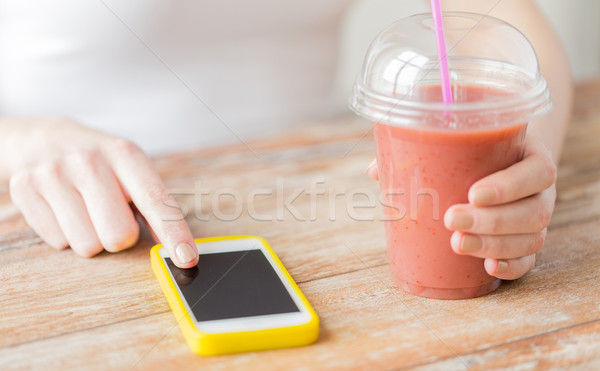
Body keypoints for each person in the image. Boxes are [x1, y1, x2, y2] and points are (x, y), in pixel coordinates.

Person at [0, 0, 572, 280]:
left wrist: (527, 158)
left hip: (317, 202)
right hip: (67, 227)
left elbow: (510, 28)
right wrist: (27, 139)